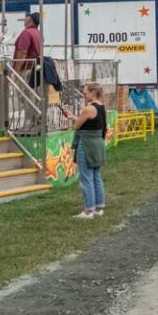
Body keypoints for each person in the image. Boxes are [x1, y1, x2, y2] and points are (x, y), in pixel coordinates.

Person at [71, 84, 109, 218]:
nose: (84, 95)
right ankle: (99, 207)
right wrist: (73, 116)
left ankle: (88, 210)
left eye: (85, 93)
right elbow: (91, 123)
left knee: (86, 178)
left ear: (93, 92)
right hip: (98, 143)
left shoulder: (88, 108)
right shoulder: (101, 107)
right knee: (96, 177)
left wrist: (75, 119)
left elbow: (77, 126)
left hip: (86, 144)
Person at [13, 12, 42, 83]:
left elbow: (22, 53)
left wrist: (16, 71)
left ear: (30, 20)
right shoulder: (38, 33)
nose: (24, 20)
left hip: (25, 70)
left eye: (26, 18)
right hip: (35, 69)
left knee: (21, 93)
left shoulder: (26, 33)